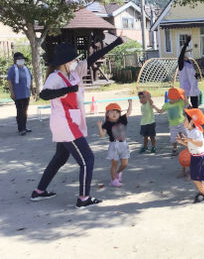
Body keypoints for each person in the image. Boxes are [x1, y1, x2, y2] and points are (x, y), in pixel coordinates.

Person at [31, 36, 123, 208]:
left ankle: (39, 191)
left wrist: (116, 42)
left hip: (70, 123)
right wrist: (69, 89)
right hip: (65, 124)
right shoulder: (55, 77)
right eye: (73, 59)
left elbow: (93, 58)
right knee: (88, 159)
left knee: (60, 157)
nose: (75, 61)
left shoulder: (74, 73)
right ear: (65, 62)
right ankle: (83, 198)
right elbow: (44, 94)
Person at [176, 108, 204, 203]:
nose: (183, 121)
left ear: (192, 121)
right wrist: (182, 142)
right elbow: (190, 145)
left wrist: (189, 139)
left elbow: (199, 143)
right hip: (195, 156)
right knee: (197, 178)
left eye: (185, 119)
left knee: (196, 178)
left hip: (200, 157)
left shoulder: (196, 132)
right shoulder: (189, 131)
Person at [97, 101, 133, 187]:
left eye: (117, 112)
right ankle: (113, 180)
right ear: (107, 114)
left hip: (123, 144)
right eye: (112, 112)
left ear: (119, 114)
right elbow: (102, 135)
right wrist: (99, 126)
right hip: (114, 145)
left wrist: (130, 103)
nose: (114, 114)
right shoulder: (107, 124)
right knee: (114, 164)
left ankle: (118, 173)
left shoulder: (122, 119)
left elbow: (129, 112)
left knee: (125, 164)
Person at [154, 88, 187, 156]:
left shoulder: (180, 102)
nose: (175, 99)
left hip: (181, 123)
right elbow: (160, 111)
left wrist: (184, 94)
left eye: (176, 98)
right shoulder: (167, 105)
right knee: (173, 138)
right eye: (173, 98)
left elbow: (186, 102)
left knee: (185, 136)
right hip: (173, 125)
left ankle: (189, 148)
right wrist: (154, 107)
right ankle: (175, 149)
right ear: (169, 97)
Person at [7, 52, 33, 135]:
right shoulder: (12, 69)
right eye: (19, 59)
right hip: (18, 94)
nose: (21, 60)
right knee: (20, 111)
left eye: (22, 59)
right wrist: (12, 92)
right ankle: (21, 128)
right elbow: (10, 81)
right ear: (15, 60)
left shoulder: (26, 69)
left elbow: (31, 79)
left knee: (25, 111)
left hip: (26, 93)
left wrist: (32, 90)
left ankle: (24, 126)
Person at [178, 36, 200, 108]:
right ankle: (185, 116)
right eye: (188, 52)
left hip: (193, 85)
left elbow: (192, 73)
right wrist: (186, 43)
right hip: (185, 86)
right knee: (185, 105)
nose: (189, 53)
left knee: (195, 104)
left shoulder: (190, 62)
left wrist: (196, 76)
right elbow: (181, 55)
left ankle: (195, 114)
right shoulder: (181, 62)